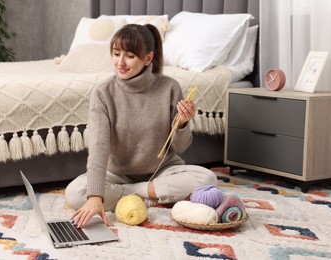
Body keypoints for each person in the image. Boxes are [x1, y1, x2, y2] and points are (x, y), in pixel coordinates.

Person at [65, 24, 217, 228]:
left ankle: (133, 195)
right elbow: (98, 148)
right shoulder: (103, 93)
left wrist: (181, 124)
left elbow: (180, 148)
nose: (120, 63)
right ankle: (148, 195)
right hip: (117, 174)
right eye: (116, 54)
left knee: (207, 179)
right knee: (75, 192)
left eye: (129, 56)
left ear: (147, 58)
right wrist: (94, 196)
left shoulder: (170, 87)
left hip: (163, 171)